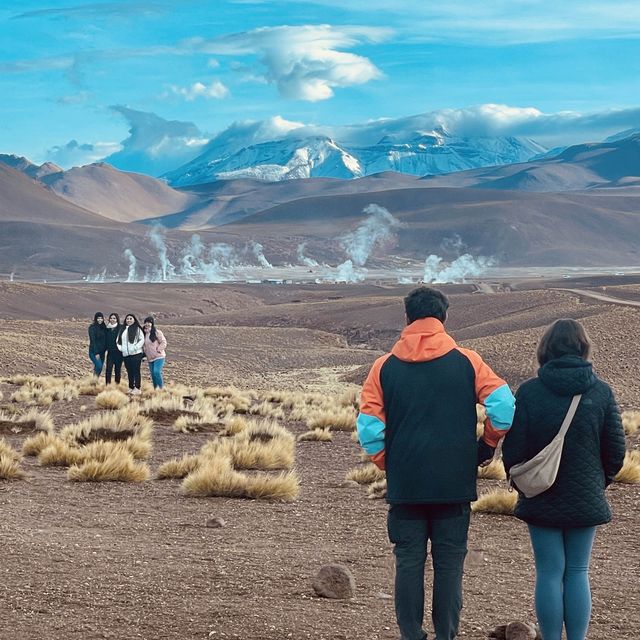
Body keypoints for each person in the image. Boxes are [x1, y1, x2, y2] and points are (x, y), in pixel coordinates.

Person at [356, 286, 515, 640]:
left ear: (407, 318)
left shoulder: (382, 368)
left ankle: (411, 634)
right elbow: (503, 406)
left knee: (408, 563)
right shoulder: (468, 361)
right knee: (449, 566)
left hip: (407, 485)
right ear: (443, 318)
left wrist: (388, 463)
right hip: (454, 484)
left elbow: (369, 428)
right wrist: (486, 444)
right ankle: (446, 635)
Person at [502, 319, 625, 640]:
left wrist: (523, 483)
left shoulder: (529, 392)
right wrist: (597, 483)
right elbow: (616, 452)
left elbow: (513, 450)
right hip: (586, 497)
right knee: (577, 571)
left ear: (546, 350)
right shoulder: (600, 392)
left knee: (549, 572)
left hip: (540, 495)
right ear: (583, 348)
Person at [117, 313, 145, 395]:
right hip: (126, 354)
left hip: (136, 354)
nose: (128, 320)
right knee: (129, 371)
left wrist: (135, 347)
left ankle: (137, 388)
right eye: (127, 319)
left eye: (130, 319)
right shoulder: (122, 329)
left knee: (136, 371)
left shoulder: (137, 329)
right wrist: (121, 348)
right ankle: (131, 387)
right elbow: (118, 341)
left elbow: (142, 339)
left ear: (134, 320)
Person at [143, 316, 167, 390]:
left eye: (149, 322)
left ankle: (161, 389)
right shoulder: (144, 333)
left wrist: (158, 349)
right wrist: (143, 355)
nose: (147, 324)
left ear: (152, 323)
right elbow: (144, 346)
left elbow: (163, 342)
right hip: (150, 358)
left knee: (156, 372)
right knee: (153, 375)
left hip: (159, 356)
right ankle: (155, 389)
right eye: (146, 322)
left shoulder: (157, 332)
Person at [104, 313, 123, 385]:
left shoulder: (121, 328)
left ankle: (117, 385)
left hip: (119, 353)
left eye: (114, 318)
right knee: (108, 370)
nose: (112, 319)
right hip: (110, 353)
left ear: (117, 319)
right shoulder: (107, 329)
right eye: (111, 318)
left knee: (117, 370)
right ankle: (107, 385)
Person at [88, 312, 107, 378]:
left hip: (102, 352)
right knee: (99, 366)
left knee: (99, 368)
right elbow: (93, 341)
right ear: (95, 319)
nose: (100, 320)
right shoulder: (92, 328)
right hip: (94, 352)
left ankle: (94, 383)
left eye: (101, 318)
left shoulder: (104, 327)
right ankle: (93, 381)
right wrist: (96, 353)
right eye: (98, 318)